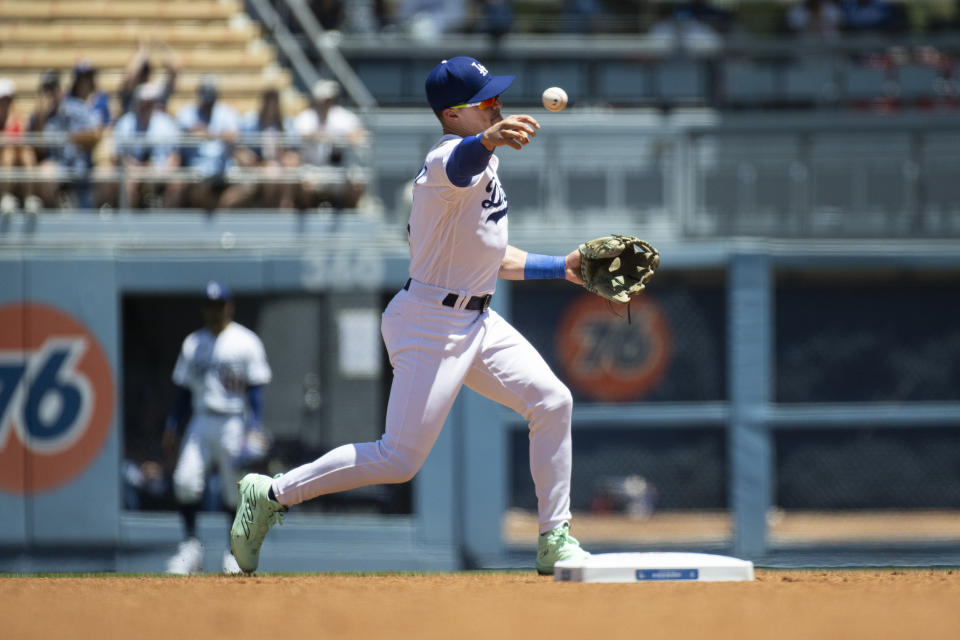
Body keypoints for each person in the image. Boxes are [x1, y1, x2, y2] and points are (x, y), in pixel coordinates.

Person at [230, 56, 590, 576]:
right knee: (398, 460)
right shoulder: (446, 160)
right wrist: (487, 140)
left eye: (496, 96)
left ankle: (554, 537)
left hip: (476, 318)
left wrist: (562, 268)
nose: (497, 104)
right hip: (429, 323)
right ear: (452, 114)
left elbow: (492, 256)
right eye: (485, 100)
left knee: (553, 400)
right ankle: (270, 493)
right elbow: (459, 162)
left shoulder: (484, 156)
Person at [163, 281, 273, 574]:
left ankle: (234, 552)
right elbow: (184, 392)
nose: (214, 311)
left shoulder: (245, 341)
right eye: (209, 305)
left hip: (234, 420)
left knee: (233, 491)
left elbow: (255, 391)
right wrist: (173, 425)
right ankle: (190, 548)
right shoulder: (193, 343)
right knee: (185, 480)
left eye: (219, 305)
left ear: (230, 306)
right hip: (201, 418)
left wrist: (255, 428)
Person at [26, 69, 102, 210]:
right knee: (45, 172)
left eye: (53, 89)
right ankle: (56, 210)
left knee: (105, 175)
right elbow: (40, 149)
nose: (50, 94)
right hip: (58, 170)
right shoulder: (38, 117)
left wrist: (72, 139)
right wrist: (42, 117)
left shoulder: (77, 107)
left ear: (60, 89)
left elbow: (95, 133)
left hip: (82, 168)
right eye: (46, 90)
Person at [290, 79, 368, 209]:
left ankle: (349, 216)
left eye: (330, 99)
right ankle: (309, 216)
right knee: (305, 185)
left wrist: (339, 137)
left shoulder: (342, 116)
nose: (327, 103)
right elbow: (301, 134)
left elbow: (358, 135)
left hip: (338, 168)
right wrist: (321, 136)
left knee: (357, 182)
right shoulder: (306, 117)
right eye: (324, 99)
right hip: (312, 167)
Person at [175, 75, 244, 211]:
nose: (208, 105)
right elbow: (181, 131)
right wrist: (194, 131)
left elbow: (234, 135)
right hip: (196, 169)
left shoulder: (227, 112)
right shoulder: (187, 112)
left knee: (248, 186)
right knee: (185, 185)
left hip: (223, 170)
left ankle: (220, 211)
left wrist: (212, 133)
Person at [110, 83, 183, 209]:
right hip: (132, 171)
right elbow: (117, 156)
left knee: (178, 182)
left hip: (160, 171)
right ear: (137, 103)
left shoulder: (166, 123)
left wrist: (164, 170)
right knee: (127, 184)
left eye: (150, 102)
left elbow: (174, 155)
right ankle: (130, 223)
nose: (147, 106)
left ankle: (166, 222)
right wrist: (134, 167)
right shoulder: (125, 123)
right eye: (144, 102)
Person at [233, 88, 298, 209]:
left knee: (282, 174)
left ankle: (281, 206)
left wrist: (286, 160)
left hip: (280, 168)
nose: (271, 106)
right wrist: (254, 162)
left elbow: (293, 153)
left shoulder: (286, 124)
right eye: (269, 101)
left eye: (274, 102)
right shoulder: (250, 121)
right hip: (255, 167)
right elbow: (240, 149)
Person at [0, 78, 40, 215]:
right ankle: (5, 196)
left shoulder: (17, 119)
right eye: (2, 101)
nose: (4, 105)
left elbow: (21, 140)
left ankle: (29, 197)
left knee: (26, 153)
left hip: (14, 159)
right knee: (8, 153)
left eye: (8, 101)